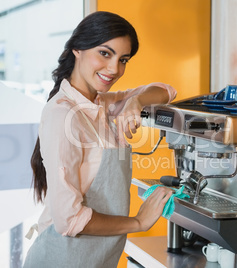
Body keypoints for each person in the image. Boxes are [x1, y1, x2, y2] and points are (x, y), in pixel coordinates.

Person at [24, 11, 176, 268]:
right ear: (77, 49)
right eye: (105, 53)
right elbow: (68, 220)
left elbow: (165, 91)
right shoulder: (63, 115)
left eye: (123, 59)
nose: (114, 69)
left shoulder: (101, 104)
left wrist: (135, 101)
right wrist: (138, 222)